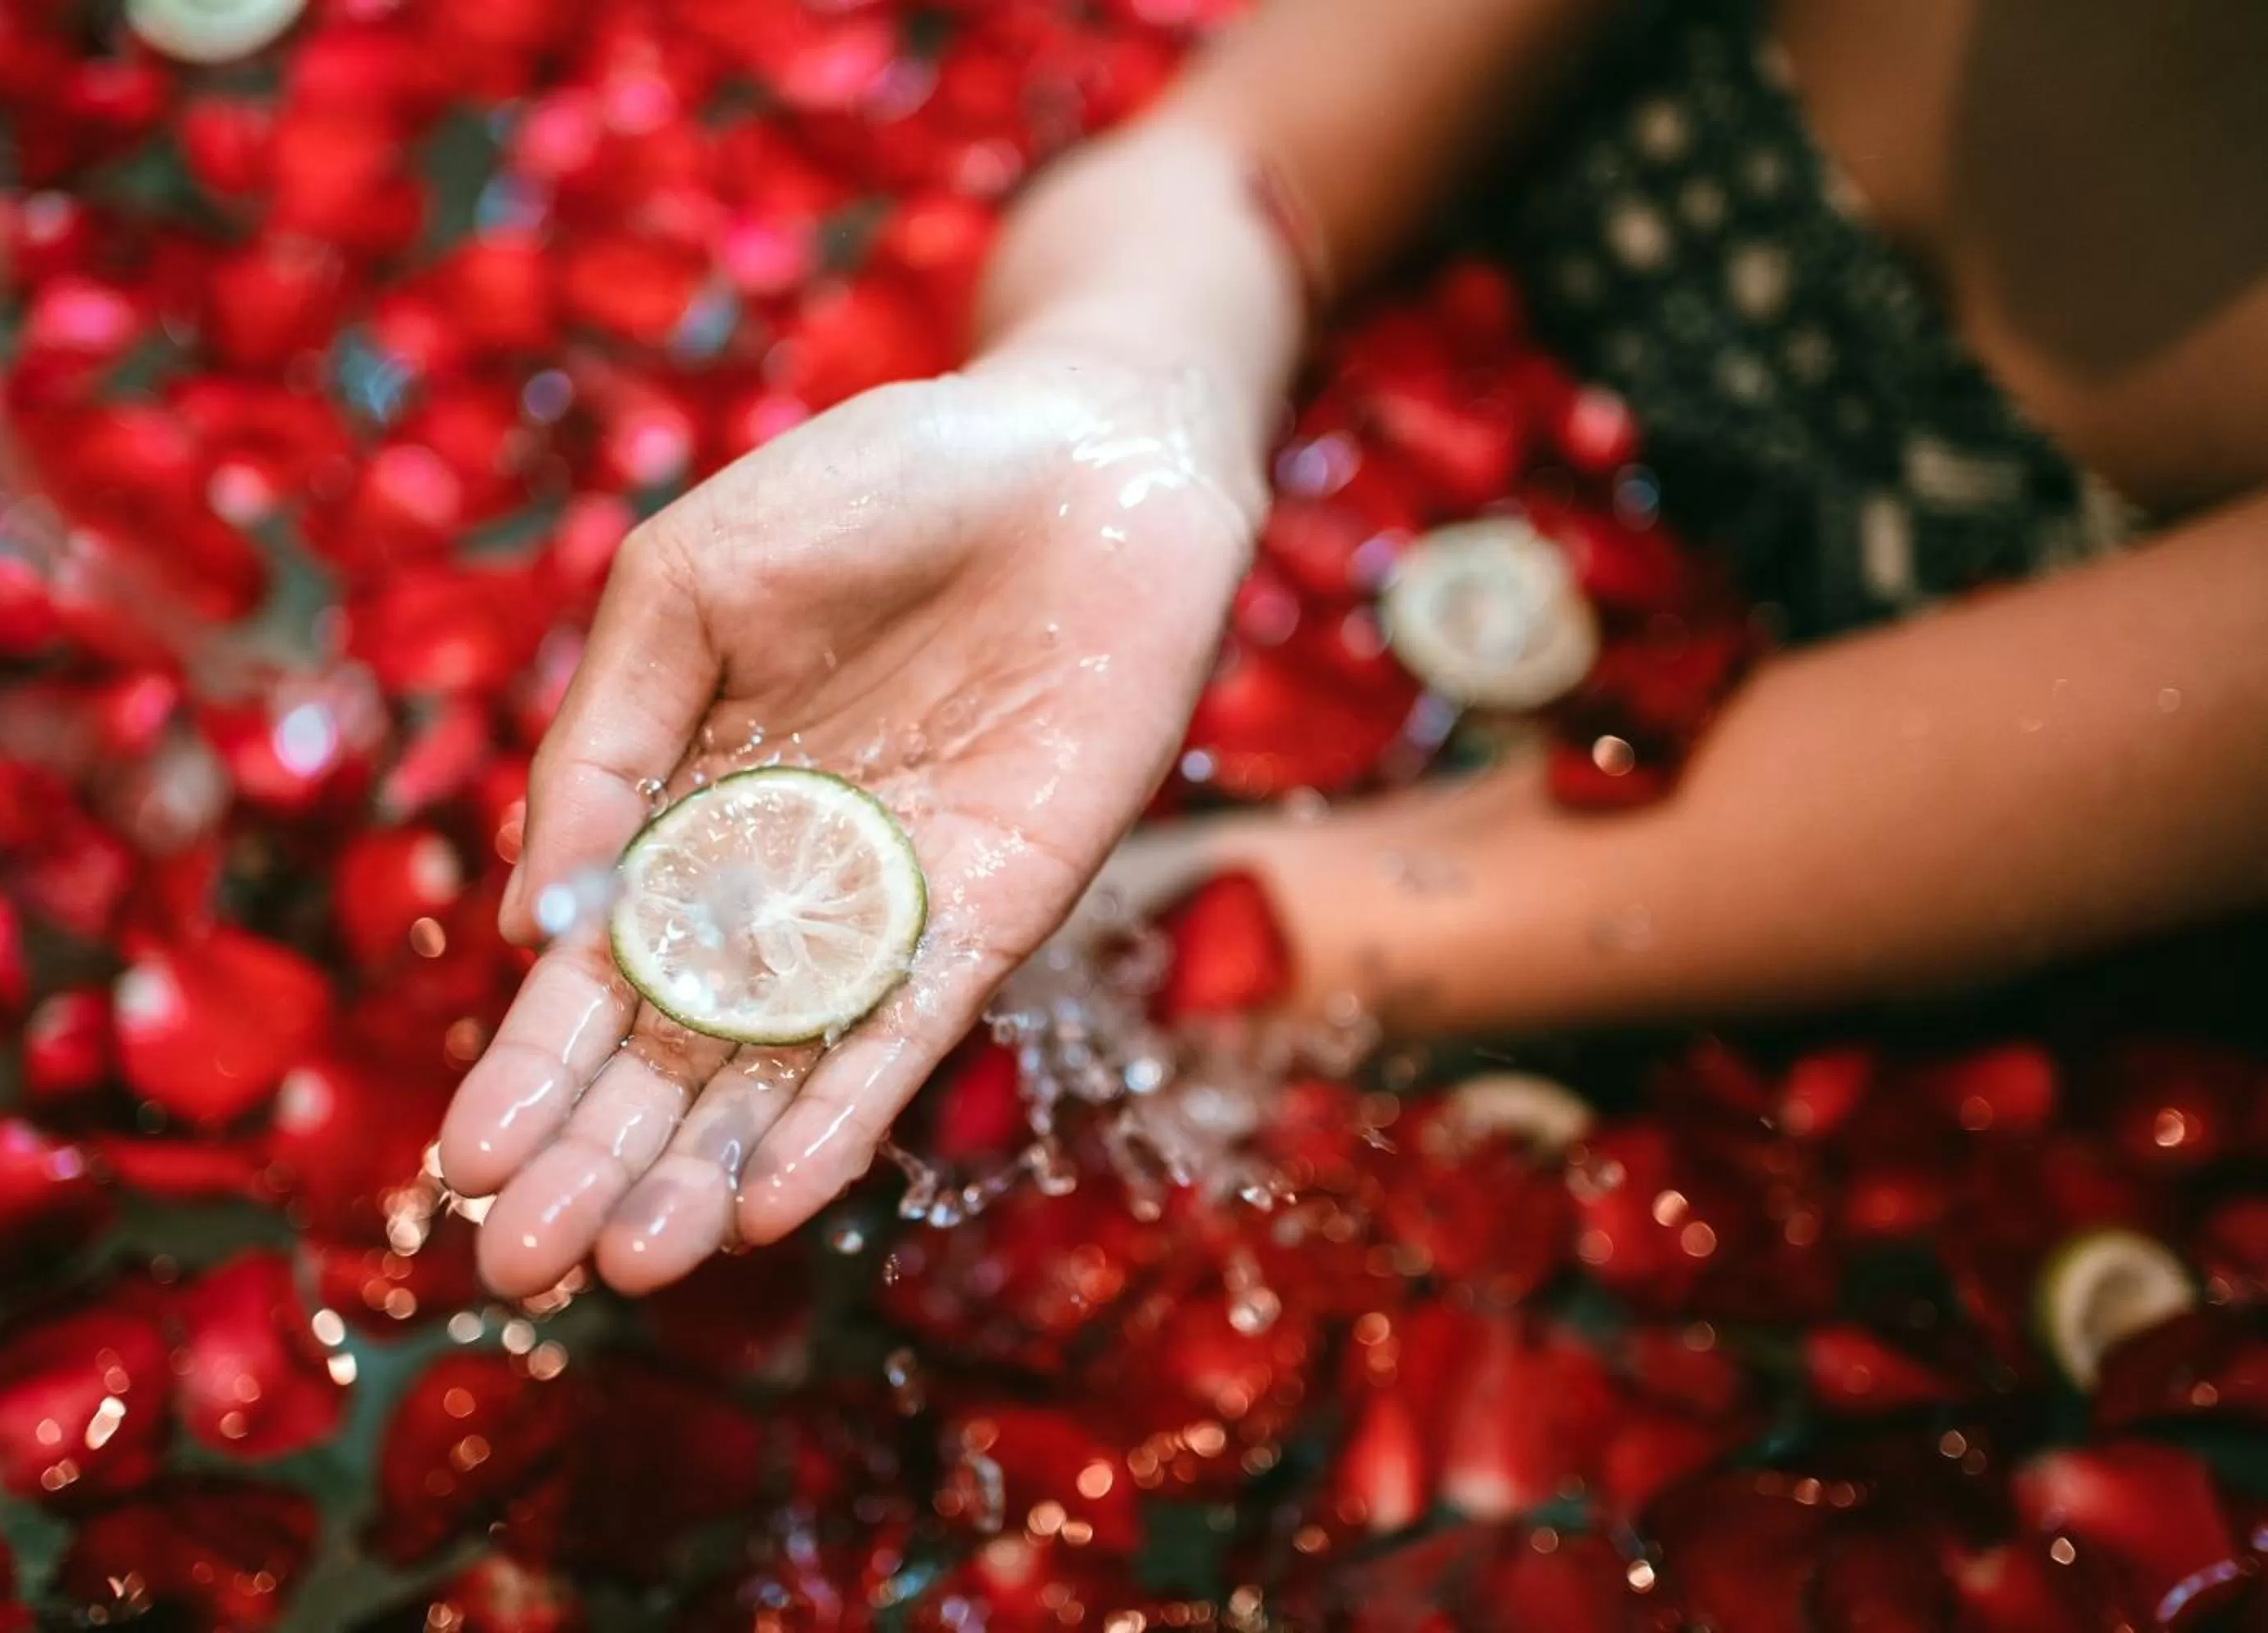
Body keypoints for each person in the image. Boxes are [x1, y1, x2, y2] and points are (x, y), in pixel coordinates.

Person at [442, 0, 2253, 1301]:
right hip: (1372, 491)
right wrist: (1127, 404)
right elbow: (1243, 157)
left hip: (1792, 920)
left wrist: (1230, 942)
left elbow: (1519, 901)